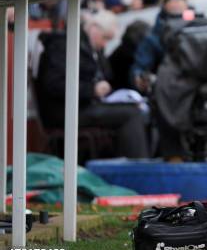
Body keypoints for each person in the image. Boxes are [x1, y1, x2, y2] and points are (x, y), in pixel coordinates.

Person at [35, 9, 150, 160]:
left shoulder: (91, 48)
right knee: (131, 114)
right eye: (105, 38)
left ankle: (133, 164)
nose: (105, 44)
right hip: (66, 111)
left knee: (138, 108)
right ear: (94, 28)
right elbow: (53, 85)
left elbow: (107, 76)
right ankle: (136, 166)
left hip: (84, 106)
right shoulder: (63, 45)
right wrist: (92, 89)